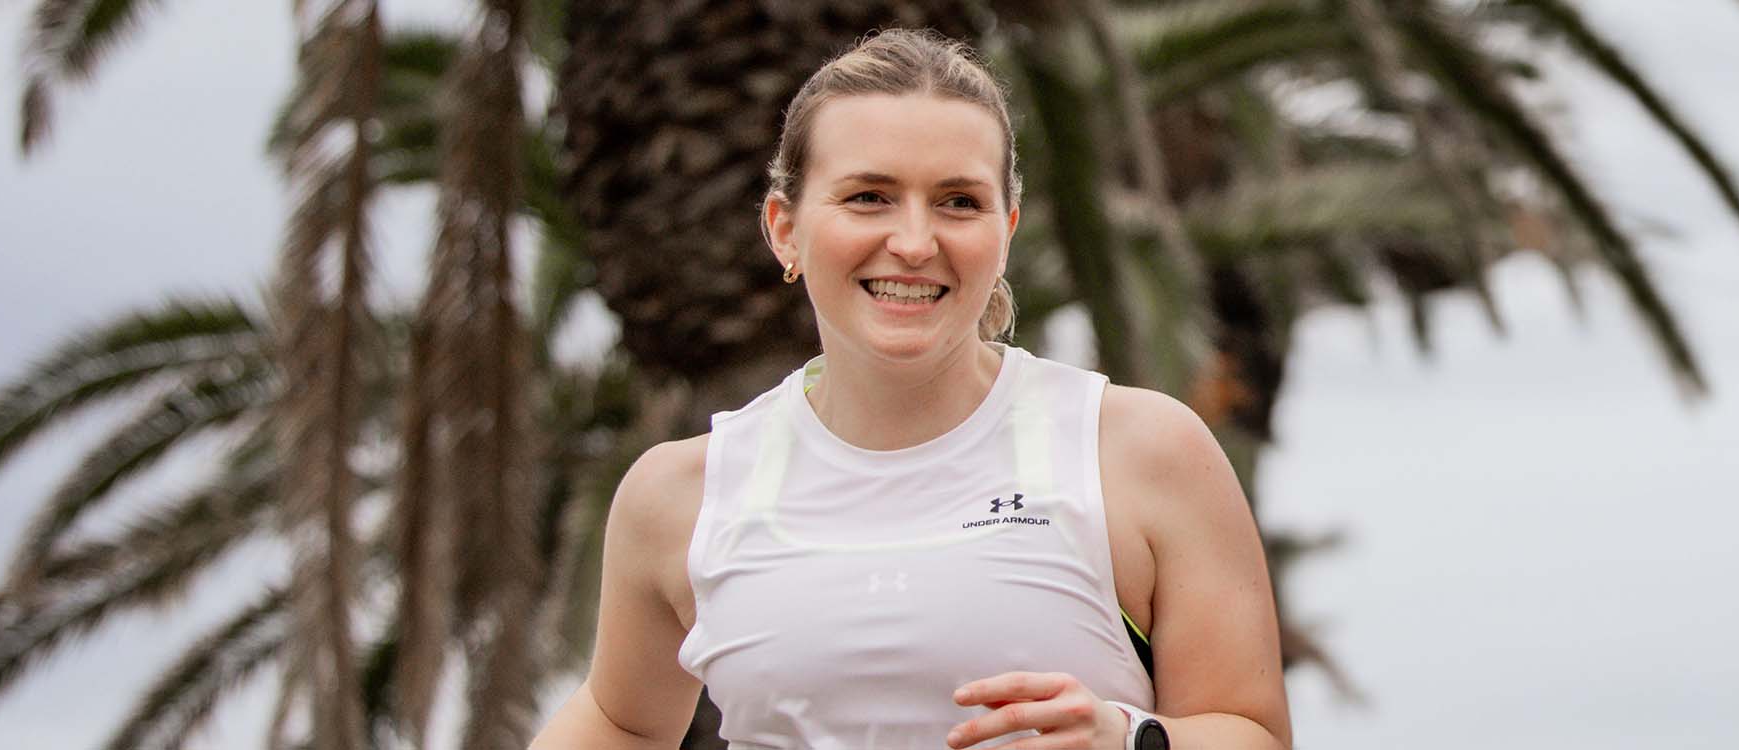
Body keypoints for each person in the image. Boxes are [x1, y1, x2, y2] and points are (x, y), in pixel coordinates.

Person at [525, 28, 1292, 750]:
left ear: (1006, 229)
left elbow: (1251, 731)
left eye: (959, 202)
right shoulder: (681, 495)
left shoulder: (1140, 451)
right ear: (783, 229)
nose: (916, 243)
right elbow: (618, 722)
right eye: (869, 197)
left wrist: (1127, 736)